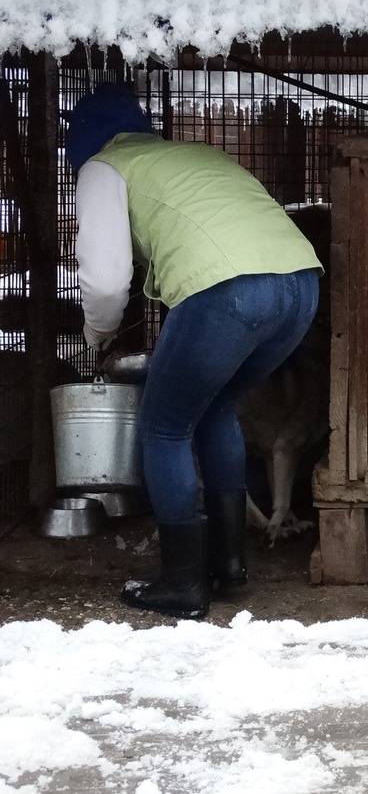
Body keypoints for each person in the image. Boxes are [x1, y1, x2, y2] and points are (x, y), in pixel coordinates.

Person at [66, 83, 323, 620]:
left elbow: (108, 282)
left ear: (83, 144)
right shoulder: (186, 155)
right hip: (299, 286)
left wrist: (97, 335)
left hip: (230, 292)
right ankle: (229, 568)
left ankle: (182, 583)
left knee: (163, 428)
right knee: (213, 408)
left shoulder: (102, 167)